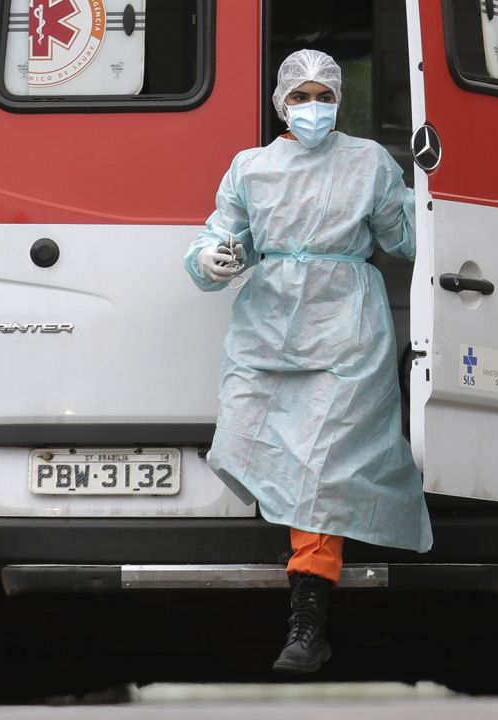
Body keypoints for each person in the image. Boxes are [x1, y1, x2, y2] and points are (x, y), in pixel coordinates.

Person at [183, 49, 432, 675]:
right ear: (280, 102)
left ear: (340, 100)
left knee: (318, 471)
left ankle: (309, 619)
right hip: (265, 330)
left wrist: (428, 192)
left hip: (344, 328)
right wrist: (211, 257)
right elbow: (221, 234)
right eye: (301, 96)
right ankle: (303, 599)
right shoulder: (251, 168)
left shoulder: (368, 162)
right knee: (241, 438)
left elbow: (406, 240)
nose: (313, 108)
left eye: (324, 95)